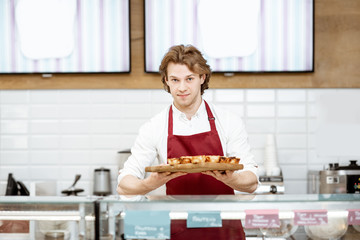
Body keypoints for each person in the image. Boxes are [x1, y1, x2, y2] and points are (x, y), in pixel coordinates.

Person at [117, 44, 258, 239]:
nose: (182, 88)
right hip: (178, 229)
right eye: (175, 80)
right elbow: (125, 183)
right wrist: (150, 184)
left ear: (202, 78)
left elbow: (251, 181)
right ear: (166, 81)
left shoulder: (228, 121)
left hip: (225, 228)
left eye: (189, 79)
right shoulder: (154, 126)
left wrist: (230, 178)